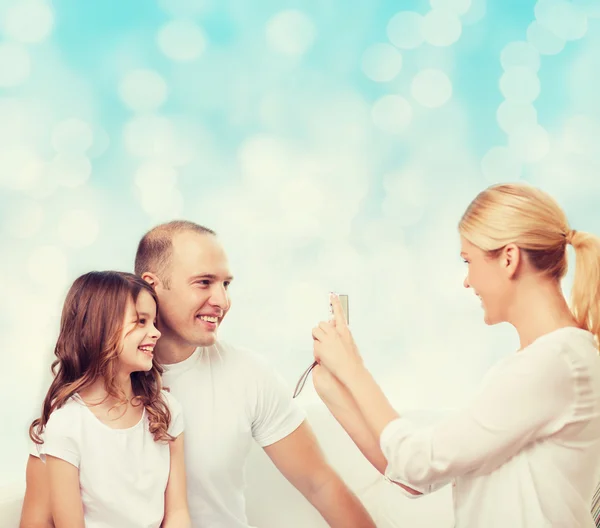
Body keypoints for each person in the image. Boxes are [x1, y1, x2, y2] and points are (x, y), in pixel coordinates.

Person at [21, 222, 375, 528]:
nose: (222, 300)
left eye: (226, 284)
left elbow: (320, 483)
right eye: (204, 282)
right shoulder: (77, 397)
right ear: (152, 285)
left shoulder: (247, 375)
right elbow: (39, 517)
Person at [311, 183, 600, 527]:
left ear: (509, 258)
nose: (467, 280)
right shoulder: (538, 365)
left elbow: (419, 461)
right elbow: (414, 477)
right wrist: (334, 387)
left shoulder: (557, 362)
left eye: (469, 261)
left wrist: (353, 369)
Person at [24, 271, 189, 528]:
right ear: (99, 329)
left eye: (154, 322)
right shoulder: (67, 424)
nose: (156, 332)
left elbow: (177, 513)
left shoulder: (165, 410)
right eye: (141, 321)